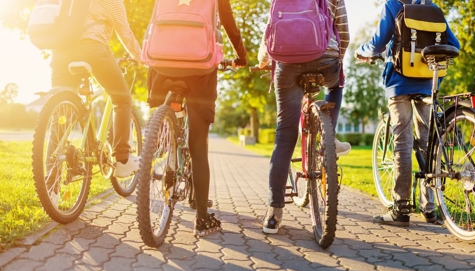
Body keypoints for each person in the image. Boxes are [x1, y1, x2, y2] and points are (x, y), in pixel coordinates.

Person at [355, 0, 460, 226]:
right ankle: (429, 208)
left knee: (402, 140)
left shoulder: (393, 5)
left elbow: (377, 45)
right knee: (427, 142)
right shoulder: (432, 7)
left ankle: (401, 209)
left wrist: (361, 51)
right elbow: (454, 43)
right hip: (427, 83)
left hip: (399, 83)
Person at [147, 0, 247, 237]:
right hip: (200, 68)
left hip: (162, 64)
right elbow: (229, 24)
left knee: (161, 117)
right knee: (198, 146)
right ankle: (202, 219)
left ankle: (162, 138)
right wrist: (241, 55)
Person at [257, 0, 350, 234]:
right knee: (336, 84)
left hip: (287, 61)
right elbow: (344, 32)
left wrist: (264, 59)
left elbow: (272, 25)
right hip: (325, 57)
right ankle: (328, 142)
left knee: (285, 135)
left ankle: (273, 213)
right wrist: (339, 56)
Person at [49, 0, 142, 178]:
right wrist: (142, 58)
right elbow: (126, 34)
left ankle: (50, 186)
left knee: (60, 115)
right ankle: (122, 161)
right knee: (122, 99)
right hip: (91, 50)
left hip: (60, 54)